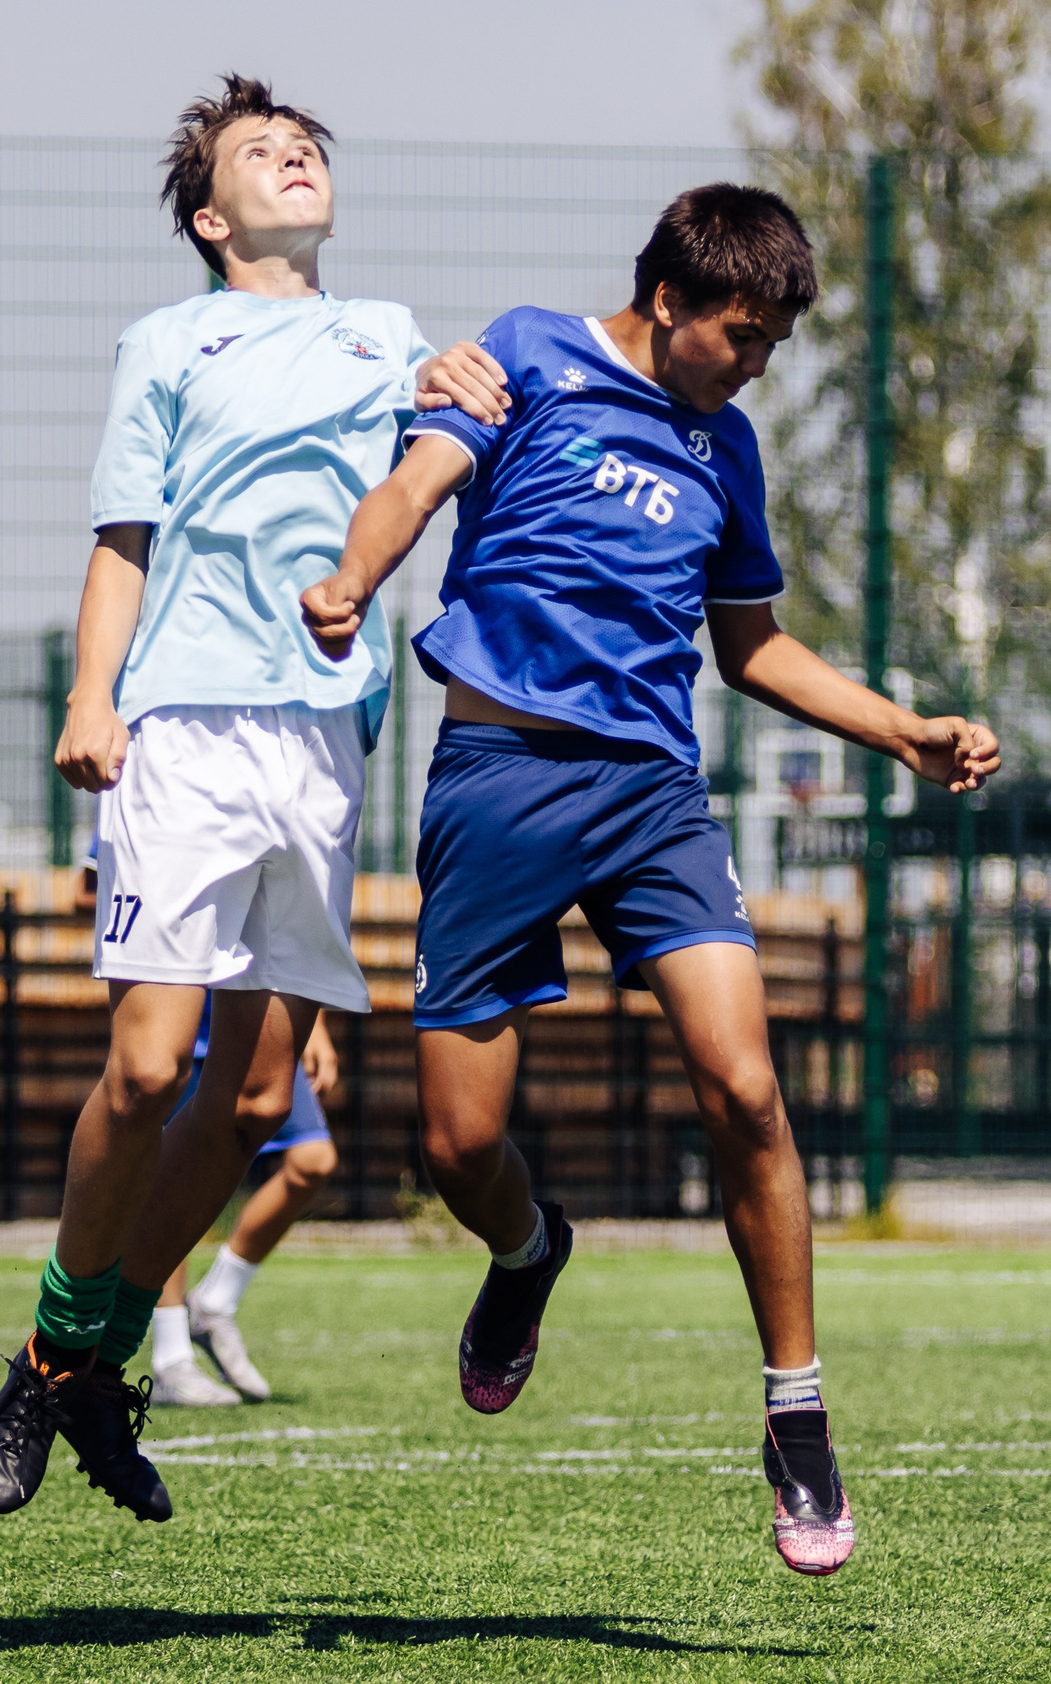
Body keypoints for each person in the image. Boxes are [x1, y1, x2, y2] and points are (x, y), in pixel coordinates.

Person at [302, 183, 1001, 1575]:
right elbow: (416, 484)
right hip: (499, 783)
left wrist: (900, 726)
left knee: (745, 1083)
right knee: (454, 1146)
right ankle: (527, 1251)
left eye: (773, 347)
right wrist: (349, 579)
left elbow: (751, 647)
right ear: (669, 299)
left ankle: (795, 1410)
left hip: (652, 797)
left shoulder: (726, 447)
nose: (753, 367)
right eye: (738, 337)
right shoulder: (529, 354)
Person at [0, 73, 505, 1525]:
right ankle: (48, 1347)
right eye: (264, 150)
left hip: (324, 743)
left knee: (260, 1090)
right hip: (186, 727)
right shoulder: (168, 339)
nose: (297, 155)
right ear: (212, 215)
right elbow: (122, 539)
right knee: (149, 1069)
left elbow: (446, 456)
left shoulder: (391, 338)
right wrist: (94, 697)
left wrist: (470, 383)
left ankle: (93, 1359)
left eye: (310, 143)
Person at [145, 1000, 343, 1408]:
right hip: (183, 1018)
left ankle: (215, 1302)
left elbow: (300, 933)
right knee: (176, 1174)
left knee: (313, 1160)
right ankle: (171, 1358)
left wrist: (316, 1022)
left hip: (264, 1019)